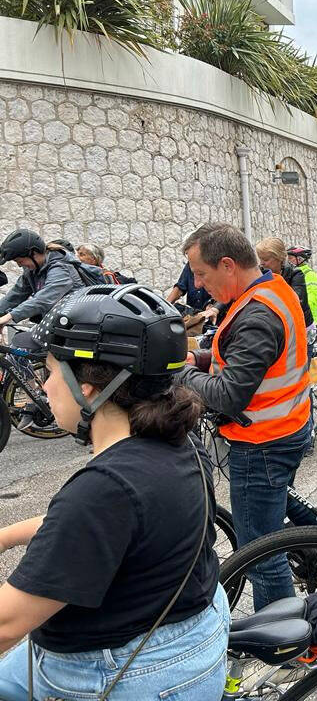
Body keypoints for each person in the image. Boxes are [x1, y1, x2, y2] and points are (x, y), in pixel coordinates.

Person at [0, 284, 229, 700]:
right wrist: (5, 536)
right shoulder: (178, 442)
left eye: (49, 371)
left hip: (126, 671)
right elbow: (95, 528)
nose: (44, 385)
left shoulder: (106, 488)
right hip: (190, 635)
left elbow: (6, 624)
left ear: (87, 383)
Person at [178, 223, 313, 610]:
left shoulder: (256, 313)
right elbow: (248, 360)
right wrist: (200, 359)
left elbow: (228, 396)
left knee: (260, 551)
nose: (199, 285)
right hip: (288, 427)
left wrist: (179, 372)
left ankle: (283, 646)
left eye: (202, 274)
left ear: (227, 264)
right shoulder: (272, 289)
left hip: (262, 442)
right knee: (274, 500)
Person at [0, 229, 87, 346]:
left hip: (76, 329)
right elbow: (15, 295)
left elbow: (43, 299)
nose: (19, 265)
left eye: (19, 261)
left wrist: (8, 317)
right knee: (18, 349)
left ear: (34, 253)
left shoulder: (61, 268)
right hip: (56, 326)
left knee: (26, 350)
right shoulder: (32, 271)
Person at [256, 236, 316, 341]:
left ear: (279, 258)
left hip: (301, 329)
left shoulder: (295, 273)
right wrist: (217, 308)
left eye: (265, 259)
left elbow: (296, 302)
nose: (261, 263)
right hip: (278, 329)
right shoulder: (260, 272)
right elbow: (243, 288)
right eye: (260, 259)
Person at [286, 246, 317, 326]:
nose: (288, 261)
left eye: (291, 258)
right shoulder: (292, 273)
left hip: (308, 318)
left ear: (299, 259)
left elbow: (312, 298)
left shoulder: (309, 274)